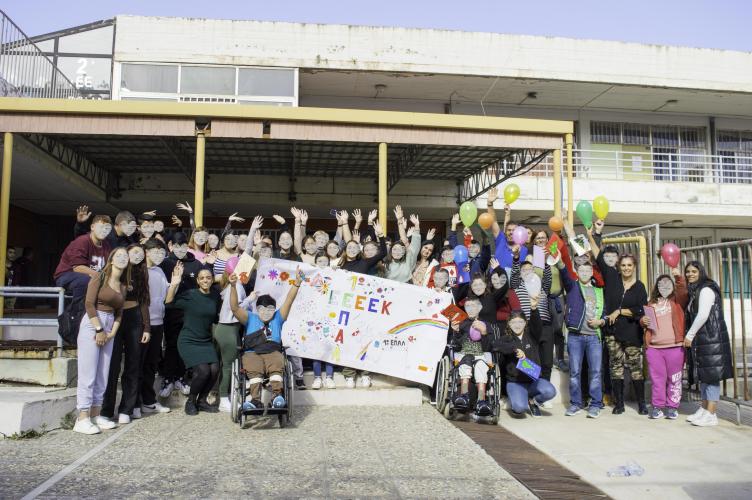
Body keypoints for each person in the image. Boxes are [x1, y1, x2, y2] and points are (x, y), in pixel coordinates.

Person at [590, 228, 648, 416]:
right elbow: (597, 254)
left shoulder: (639, 287)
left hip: (632, 333)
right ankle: (619, 403)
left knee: (636, 369)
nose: (626, 268)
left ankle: (642, 404)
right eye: (623, 265)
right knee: (615, 368)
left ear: (634, 266)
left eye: (629, 265)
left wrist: (620, 311)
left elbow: (641, 309)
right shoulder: (612, 278)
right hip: (612, 332)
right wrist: (592, 234)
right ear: (618, 266)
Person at [229, 268, 304, 409]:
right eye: (262, 309)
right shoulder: (250, 317)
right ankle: (255, 400)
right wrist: (233, 286)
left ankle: (277, 396)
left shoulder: (278, 317)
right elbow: (234, 308)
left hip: (273, 351)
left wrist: (297, 283)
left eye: (270, 309)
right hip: (252, 352)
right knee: (254, 369)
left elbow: (289, 300)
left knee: (276, 364)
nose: (266, 312)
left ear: (274, 309)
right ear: (257, 309)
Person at [73, 248, 127, 435]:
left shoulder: (123, 286)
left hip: (110, 325)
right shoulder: (100, 277)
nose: (123, 258)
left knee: (103, 373)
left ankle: (96, 414)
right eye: (119, 255)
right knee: (88, 372)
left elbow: (120, 312)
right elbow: (89, 303)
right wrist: (99, 329)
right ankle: (82, 417)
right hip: (93, 322)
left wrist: (111, 333)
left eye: (125, 256)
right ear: (111, 260)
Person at [100, 244, 151, 425]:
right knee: (112, 365)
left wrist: (146, 327)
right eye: (134, 252)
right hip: (114, 317)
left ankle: (126, 409)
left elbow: (144, 300)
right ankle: (106, 409)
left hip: (134, 318)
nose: (137, 256)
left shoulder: (141, 272)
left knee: (133, 364)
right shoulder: (114, 270)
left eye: (141, 253)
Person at [165, 265, 222, 415]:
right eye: (202, 278)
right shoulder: (190, 295)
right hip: (188, 341)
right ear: (197, 280)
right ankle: (191, 401)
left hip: (205, 341)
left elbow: (216, 317)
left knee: (215, 370)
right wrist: (174, 284)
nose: (205, 280)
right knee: (203, 371)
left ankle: (202, 401)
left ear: (212, 280)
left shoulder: (215, 296)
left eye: (208, 278)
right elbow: (169, 303)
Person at [684, 261, 733, 427]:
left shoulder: (705, 289)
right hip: (704, 339)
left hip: (711, 339)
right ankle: (705, 409)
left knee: (711, 376)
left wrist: (690, 335)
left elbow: (703, 315)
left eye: (694, 271)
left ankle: (711, 414)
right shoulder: (696, 290)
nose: (690, 274)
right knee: (705, 375)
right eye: (688, 271)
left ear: (701, 272)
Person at [159, 231, 207, 397]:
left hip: (189, 312)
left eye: (184, 246)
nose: (181, 249)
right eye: (177, 246)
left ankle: (181, 377)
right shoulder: (165, 263)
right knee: (171, 344)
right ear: (171, 246)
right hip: (170, 309)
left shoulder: (196, 264)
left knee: (184, 345)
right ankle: (168, 378)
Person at [339, 220, 386, 388]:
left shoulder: (364, 263)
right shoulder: (339, 266)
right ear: (345, 250)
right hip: (346, 308)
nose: (352, 249)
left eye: (355, 247)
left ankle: (365, 373)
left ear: (359, 249)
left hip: (364, 308)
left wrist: (380, 235)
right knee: (348, 341)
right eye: (349, 247)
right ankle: (349, 374)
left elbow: (383, 252)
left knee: (365, 339)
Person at [557, 259, 606, 419]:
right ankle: (576, 404)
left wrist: (601, 321)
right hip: (575, 337)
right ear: (577, 272)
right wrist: (559, 260)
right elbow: (564, 273)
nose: (584, 273)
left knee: (596, 372)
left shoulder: (599, 290)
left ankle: (595, 404)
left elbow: (604, 312)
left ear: (592, 273)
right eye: (581, 270)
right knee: (575, 372)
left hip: (594, 337)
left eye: (587, 271)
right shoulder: (573, 286)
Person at [495, 297, 557, 417]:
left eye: (520, 322)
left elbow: (537, 324)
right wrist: (514, 349)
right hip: (516, 383)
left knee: (550, 391)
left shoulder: (532, 336)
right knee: (519, 408)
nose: (517, 325)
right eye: (513, 322)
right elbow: (496, 345)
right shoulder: (506, 338)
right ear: (509, 324)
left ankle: (533, 401)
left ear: (525, 323)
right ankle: (518, 399)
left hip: (533, 381)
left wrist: (534, 309)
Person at [640, 268, 687, 420]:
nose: (664, 287)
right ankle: (657, 407)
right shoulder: (651, 303)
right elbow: (645, 321)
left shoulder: (677, 301)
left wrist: (678, 277)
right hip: (654, 348)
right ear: (657, 287)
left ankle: (672, 407)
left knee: (675, 379)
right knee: (657, 380)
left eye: (668, 284)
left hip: (675, 347)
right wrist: (643, 321)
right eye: (661, 284)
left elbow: (683, 290)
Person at [449, 297, 497, 416]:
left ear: (479, 308)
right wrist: (456, 332)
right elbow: (456, 345)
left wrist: (484, 332)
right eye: (467, 306)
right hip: (464, 354)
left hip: (480, 354)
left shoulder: (486, 324)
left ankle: (481, 401)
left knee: (481, 365)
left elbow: (490, 346)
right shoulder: (461, 323)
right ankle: (464, 395)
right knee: (465, 361)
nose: (470, 309)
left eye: (473, 306)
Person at [138, 239, 171, 415]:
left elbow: (167, 297)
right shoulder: (139, 270)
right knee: (138, 364)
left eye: (162, 252)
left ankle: (148, 402)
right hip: (142, 324)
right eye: (155, 251)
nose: (159, 255)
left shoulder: (159, 271)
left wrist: (176, 282)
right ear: (146, 252)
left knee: (151, 364)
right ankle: (134, 403)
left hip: (159, 322)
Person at [214, 257, 249, 412]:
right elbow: (236, 308)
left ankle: (226, 396)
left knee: (228, 365)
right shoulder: (236, 286)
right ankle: (223, 399)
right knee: (229, 365)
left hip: (228, 329)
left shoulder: (231, 285)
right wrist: (251, 298)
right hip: (228, 328)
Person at [54, 215, 113, 302]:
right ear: (92, 227)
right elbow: (77, 268)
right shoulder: (82, 241)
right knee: (87, 280)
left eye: (107, 228)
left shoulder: (107, 246)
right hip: (67, 275)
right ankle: (77, 310)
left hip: (92, 277)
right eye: (101, 227)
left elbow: (109, 267)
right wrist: (101, 277)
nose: (104, 230)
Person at [485, 187, 528, 271]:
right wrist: (490, 204)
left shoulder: (523, 250)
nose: (511, 232)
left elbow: (521, 271)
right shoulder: (501, 239)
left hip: (510, 280)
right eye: (509, 230)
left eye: (514, 230)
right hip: (494, 278)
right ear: (505, 232)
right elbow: (493, 221)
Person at [385, 214, 421, 283]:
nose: (397, 252)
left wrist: (416, 226)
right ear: (391, 251)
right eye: (394, 249)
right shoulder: (386, 264)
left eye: (399, 250)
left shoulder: (408, 261)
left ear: (404, 251)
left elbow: (415, 244)